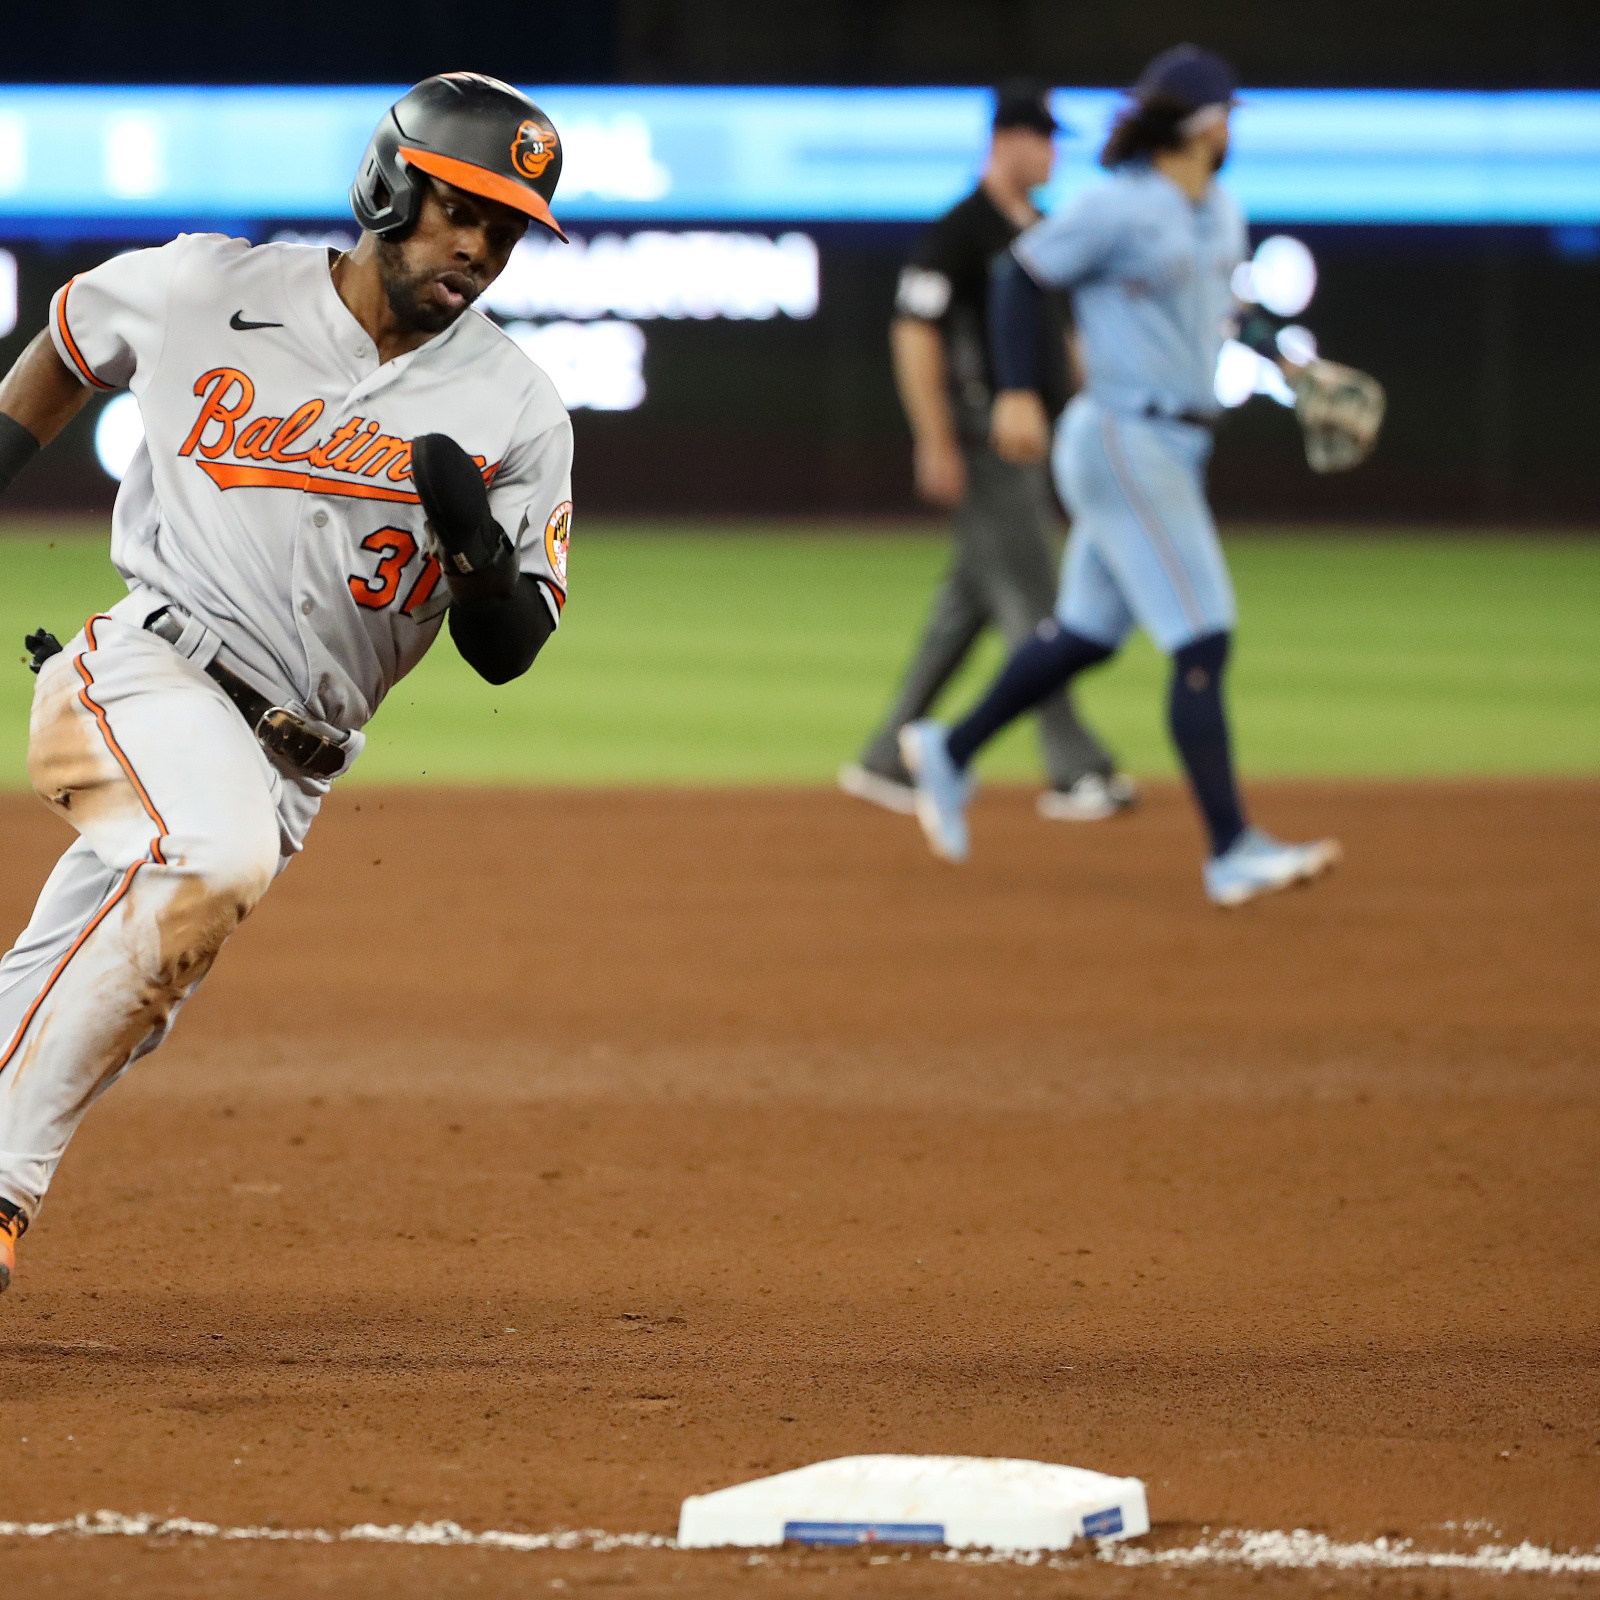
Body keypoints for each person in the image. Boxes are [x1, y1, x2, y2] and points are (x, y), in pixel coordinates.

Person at [0, 73, 576, 1292]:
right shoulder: (209, 285)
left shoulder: (518, 406)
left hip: (294, 762)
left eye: (506, 225)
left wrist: (473, 547)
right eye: (456, 206)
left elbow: (507, 647)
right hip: (147, 667)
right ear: (385, 185)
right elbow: (62, 346)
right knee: (207, 859)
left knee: (131, 964)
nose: (478, 243)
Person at [898, 46, 1341, 907]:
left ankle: (948, 751)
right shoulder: (1119, 208)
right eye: (1228, 118)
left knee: (1089, 636)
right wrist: (1020, 391)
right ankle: (1230, 849)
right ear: (1207, 124)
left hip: (1178, 443)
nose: (1230, 133)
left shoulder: (1221, 212)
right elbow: (1018, 276)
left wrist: (1285, 366)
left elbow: (1223, 317)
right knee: (1203, 637)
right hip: (1122, 438)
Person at [839, 82, 1135, 825]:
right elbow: (914, 333)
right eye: (1043, 138)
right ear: (1006, 139)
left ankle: (884, 757)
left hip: (1039, 441)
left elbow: (1065, 338)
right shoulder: (959, 232)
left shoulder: (1041, 227)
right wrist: (934, 438)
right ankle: (1076, 768)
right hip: (982, 440)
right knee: (1038, 605)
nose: (1053, 152)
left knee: (967, 608)